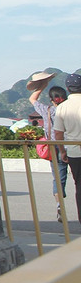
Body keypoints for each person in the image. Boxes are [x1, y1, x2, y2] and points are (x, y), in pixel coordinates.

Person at [28, 71, 68, 219]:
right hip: (74, 145)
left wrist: (43, 85)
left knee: (58, 178)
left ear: (52, 100)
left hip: (55, 147)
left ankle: (59, 206)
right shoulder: (69, 108)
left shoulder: (48, 110)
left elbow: (32, 98)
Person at [52, 73, 81, 226]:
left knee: (79, 186)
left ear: (68, 89)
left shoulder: (62, 107)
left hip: (75, 153)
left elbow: (58, 133)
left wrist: (62, 151)